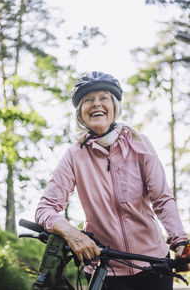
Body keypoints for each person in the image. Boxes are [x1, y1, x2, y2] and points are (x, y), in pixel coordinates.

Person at [35, 71, 188, 290]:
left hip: (154, 265)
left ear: (114, 106)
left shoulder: (139, 144)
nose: (96, 104)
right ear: (80, 113)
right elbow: (45, 208)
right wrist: (71, 233)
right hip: (104, 268)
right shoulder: (74, 155)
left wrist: (179, 240)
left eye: (103, 98)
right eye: (88, 100)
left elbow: (162, 198)